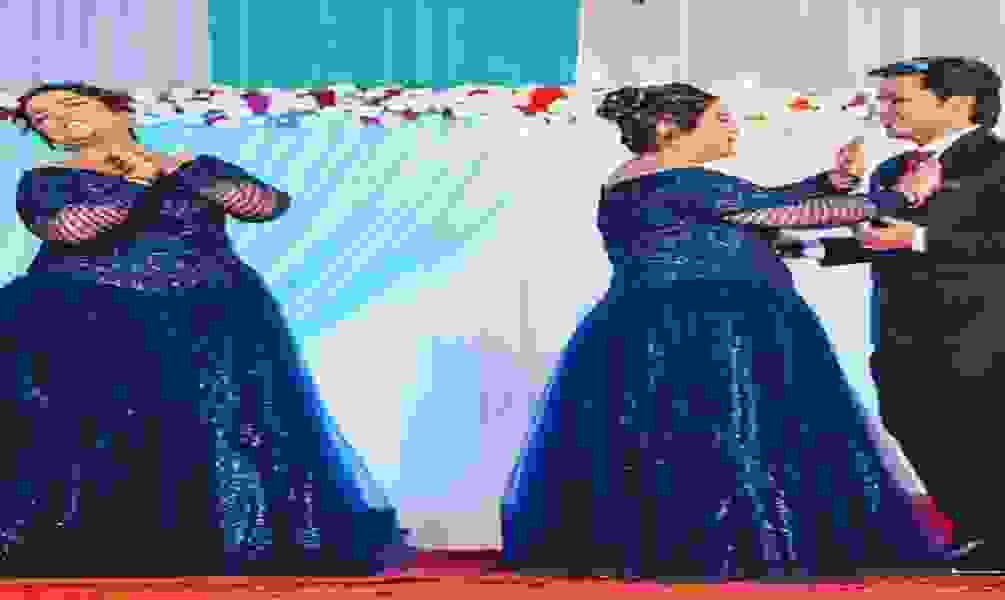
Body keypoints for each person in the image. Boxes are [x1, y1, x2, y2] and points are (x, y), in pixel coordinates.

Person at [500, 82, 948, 581]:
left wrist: (832, 180)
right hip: (719, 327)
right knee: (734, 438)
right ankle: (736, 551)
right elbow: (790, 213)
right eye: (720, 119)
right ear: (669, 128)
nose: (732, 128)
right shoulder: (687, 181)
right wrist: (901, 196)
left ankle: (666, 547)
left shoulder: (641, 178)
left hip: (649, 324)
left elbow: (761, 203)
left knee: (667, 441)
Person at [0, 82, 406, 576]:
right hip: (85, 310)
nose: (59, 119)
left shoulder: (195, 165)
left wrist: (189, 174)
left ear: (117, 109)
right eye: (43, 119)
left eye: (69, 105)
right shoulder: (45, 179)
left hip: (210, 306)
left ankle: (220, 544)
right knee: (89, 429)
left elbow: (266, 206)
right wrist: (142, 181)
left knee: (228, 422)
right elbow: (69, 228)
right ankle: (95, 543)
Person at [793, 57, 1005, 576]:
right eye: (881, 100)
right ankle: (978, 534)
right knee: (910, 420)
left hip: (989, 317)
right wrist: (809, 250)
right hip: (901, 321)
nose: (883, 111)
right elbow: (882, 239)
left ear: (958, 103)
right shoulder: (892, 170)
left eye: (897, 100)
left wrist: (925, 238)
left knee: (983, 423)